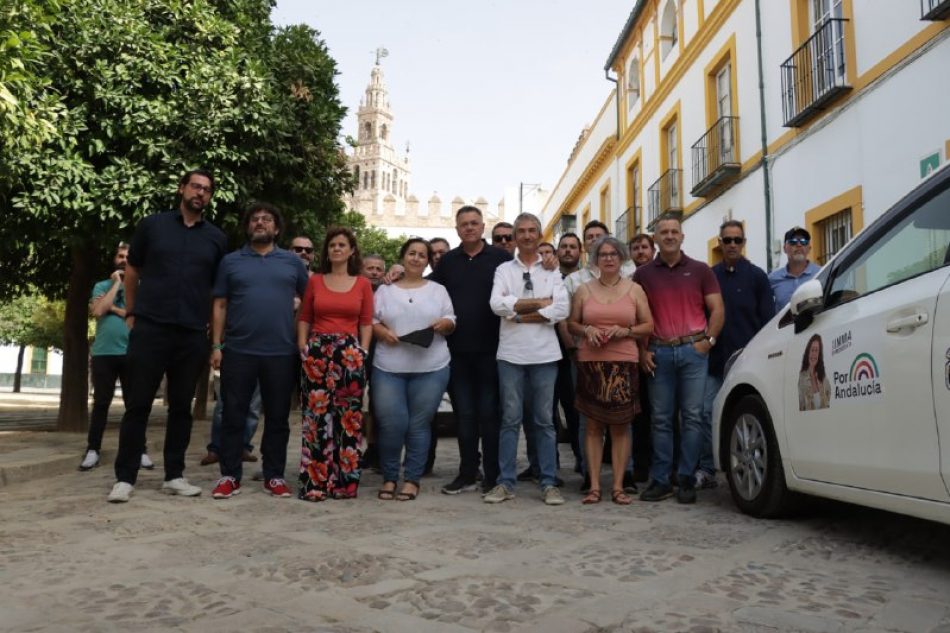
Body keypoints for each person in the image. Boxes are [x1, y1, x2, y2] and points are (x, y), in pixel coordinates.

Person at [108, 169, 227, 503]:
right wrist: (131, 312)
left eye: (206, 189)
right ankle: (125, 477)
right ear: (182, 189)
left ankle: (174, 475)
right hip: (150, 327)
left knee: (181, 408)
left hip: (191, 333)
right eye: (195, 186)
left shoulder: (216, 238)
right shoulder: (152, 225)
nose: (200, 193)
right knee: (138, 405)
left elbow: (218, 293)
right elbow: (133, 269)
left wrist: (214, 339)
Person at [208, 203, 308, 500]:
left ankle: (274, 475)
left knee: (277, 417)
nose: (260, 223)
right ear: (247, 226)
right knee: (233, 415)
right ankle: (229, 475)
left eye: (267, 219)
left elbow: (310, 300)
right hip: (238, 351)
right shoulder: (230, 262)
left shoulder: (292, 263)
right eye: (255, 219)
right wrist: (216, 345)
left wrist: (301, 335)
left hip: (281, 352)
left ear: (277, 229)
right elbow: (220, 304)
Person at [634, 213, 723, 504]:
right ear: (656, 238)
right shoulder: (644, 275)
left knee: (693, 418)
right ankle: (661, 480)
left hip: (692, 352)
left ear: (682, 237)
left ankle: (685, 477)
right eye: (664, 232)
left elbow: (717, 309)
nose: (669, 236)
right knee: (660, 419)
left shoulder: (700, 270)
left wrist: (708, 342)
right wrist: (643, 350)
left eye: (674, 231)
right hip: (658, 352)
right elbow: (638, 315)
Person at [486, 212, 570, 506]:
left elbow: (561, 310)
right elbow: (496, 304)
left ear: (540, 234)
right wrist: (538, 305)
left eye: (532, 230)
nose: (526, 235)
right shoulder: (503, 270)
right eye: (520, 231)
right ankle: (505, 482)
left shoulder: (552, 271)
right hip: (510, 355)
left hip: (545, 356)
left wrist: (519, 313)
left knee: (545, 421)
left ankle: (548, 482)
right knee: (510, 420)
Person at [430, 206, 512, 494]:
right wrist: (398, 274)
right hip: (457, 352)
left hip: (493, 350)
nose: (469, 228)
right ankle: (467, 473)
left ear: (482, 226)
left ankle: (492, 474)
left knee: (490, 414)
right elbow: (427, 291)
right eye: (463, 224)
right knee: (464, 414)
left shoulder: (502, 259)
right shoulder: (448, 261)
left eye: (474, 223)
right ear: (457, 229)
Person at [567, 236, 653, 505]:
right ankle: (593, 486)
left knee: (620, 426)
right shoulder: (583, 290)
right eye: (603, 254)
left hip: (623, 363)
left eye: (614, 253)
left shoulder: (635, 289)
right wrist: (586, 329)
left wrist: (625, 331)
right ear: (595, 260)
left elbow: (648, 326)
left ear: (622, 257)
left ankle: (618, 486)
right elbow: (572, 324)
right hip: (590, 363)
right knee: (592, 426)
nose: (608, 258)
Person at [372, 238, 455, 501]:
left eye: (422, 254)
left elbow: (452, 319)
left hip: (431, 367)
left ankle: (411, 479)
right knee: (391, 424)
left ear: (428, 260)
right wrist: (382, 332)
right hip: (389, 367)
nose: (417, 258)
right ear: (403, 257)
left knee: (419, 425)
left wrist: (445, 324)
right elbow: (371, 320)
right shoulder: (385, 290)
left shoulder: (438, 290)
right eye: (412, 253)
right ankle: (389, 477)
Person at [297, 227, 374, 501]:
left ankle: (344, 484)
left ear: (352, 251)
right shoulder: (315, 281)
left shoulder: (362, 283)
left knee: (349, 419)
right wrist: (303, 347)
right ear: (327, 251)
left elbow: (366, 321)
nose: (337, 249)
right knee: (316, 418)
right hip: (317, 352)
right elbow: (305, 316)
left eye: (342, 245)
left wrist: (362, 350)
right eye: (332, 245)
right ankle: (315, 484)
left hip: (350, 354)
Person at [698, 221, 775, 488]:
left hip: (748, 360)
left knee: (745, 415)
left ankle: (742, 466)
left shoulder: (757, 277)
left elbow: (767, 320)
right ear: (719, 243)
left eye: (737, 240)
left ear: (744, 243)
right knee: (706, 413)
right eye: (727, 240)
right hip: (715, 360)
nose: (732, 245)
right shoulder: (709, 276)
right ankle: (708, 468)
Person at [81, 243, 154, 472]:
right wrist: (117, 284)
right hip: (104, 353)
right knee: (101, 403)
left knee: (136, 405)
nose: (124, 260)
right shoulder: (102, 285)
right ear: (114, 259)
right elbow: (97, 311)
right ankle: (93, 450)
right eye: (120, 256)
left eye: (128, 257)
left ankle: (139, 450)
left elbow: (142, 317)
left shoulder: (144, 287)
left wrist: (114, 308)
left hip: (133, 352)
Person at [628, 232, 657, 482]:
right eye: (636, 248)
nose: (640, 251)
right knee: (639, 414)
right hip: (634, 354)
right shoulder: (627, 284)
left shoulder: (662, 278)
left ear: (653, 250)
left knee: (664, 414)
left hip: (660, 351)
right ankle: (640, 465)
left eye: (644, 247)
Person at [769, 226, 821, 311]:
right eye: (793, 242)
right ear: (785, 248)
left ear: (809, 248)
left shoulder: (821, 274)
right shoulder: (772, 279)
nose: (799, 245)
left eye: (804, 242)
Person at [798, 334, 831, 410]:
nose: (814, 354)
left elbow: (829, 400)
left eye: (816, 350)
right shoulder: (801, 378)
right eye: (812, 350)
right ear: (808, 352)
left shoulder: (823, 377)